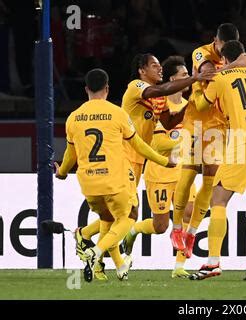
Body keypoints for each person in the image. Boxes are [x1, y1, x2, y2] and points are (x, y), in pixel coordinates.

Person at [73, 53, 214, 277]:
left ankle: (89, 242)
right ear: (141, 70)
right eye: (154, 66)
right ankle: (100, 257)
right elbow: (158, 91)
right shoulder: (137, 86)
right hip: (123, 157)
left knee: (118, 214)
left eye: (160, 66)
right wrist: (196, 78)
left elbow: (168, 120)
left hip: (138, 159)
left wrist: (195, 108)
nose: (159, 69)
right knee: (127, 214)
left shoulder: (157, 100)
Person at [55, 68, 175, 282]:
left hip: (89, 184)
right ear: (107, 89)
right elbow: (138, 144)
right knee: (129, 216)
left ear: (86, 89)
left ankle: (114, 266)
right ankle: (96, 252)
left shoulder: (73, 118)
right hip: (114, 179)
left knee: (107, 219)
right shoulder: (117, 113)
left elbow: (69, 154)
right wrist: (164, 161)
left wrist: (62, 172)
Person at [188, 40, 246, 281]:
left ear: (224, 60)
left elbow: (200, 105)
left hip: (243, 140)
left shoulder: (220, 78)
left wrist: (198, 84)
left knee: (218, 199)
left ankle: (213, 263)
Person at [170, 23, 246, 259]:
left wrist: (236, 64)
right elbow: (207, 72)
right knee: (188, 175)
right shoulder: (201, 52)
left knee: (210, 182)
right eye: (222, 49)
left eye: (229, 50)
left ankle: (192, 232)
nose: (225, 54)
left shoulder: (242, 57)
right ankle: (176, 228)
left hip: (219, 125)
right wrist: (236, 64)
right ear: (215, 41)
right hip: (196, 121)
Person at [121, 56, 197, 278]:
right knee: (161, 225)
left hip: (182, 170)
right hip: (159, 171)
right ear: (174, 79)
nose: (188, 81)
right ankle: (133, 230)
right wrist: (181, 142)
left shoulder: (187, 106)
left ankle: (179, 267)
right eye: (184, 76)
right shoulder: (155, 99)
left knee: (188, 213)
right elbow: (156, 143)